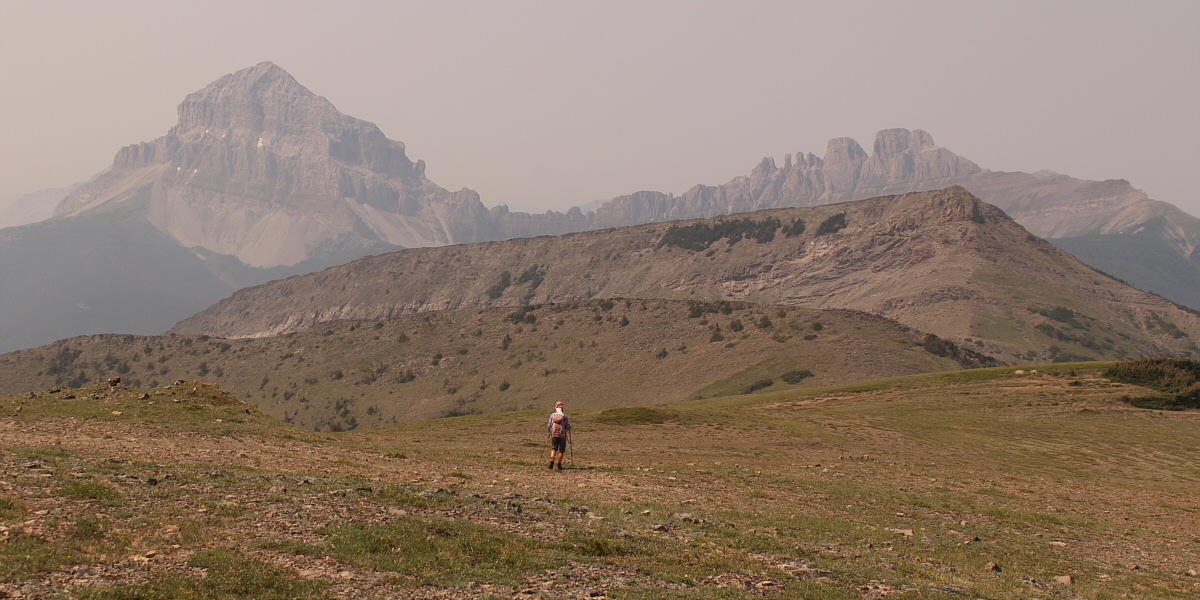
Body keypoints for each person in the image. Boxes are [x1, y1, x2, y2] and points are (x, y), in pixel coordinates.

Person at [547, 401, 571, 470]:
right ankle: (559, 464)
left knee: (553, 448)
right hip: (562, 435)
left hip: (554, 434)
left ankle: (552, 458)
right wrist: (569, 428)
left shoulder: (552, 415)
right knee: (561, 450)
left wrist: (550, 431)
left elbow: (549, 425)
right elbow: (567, 426)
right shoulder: (564, 416)